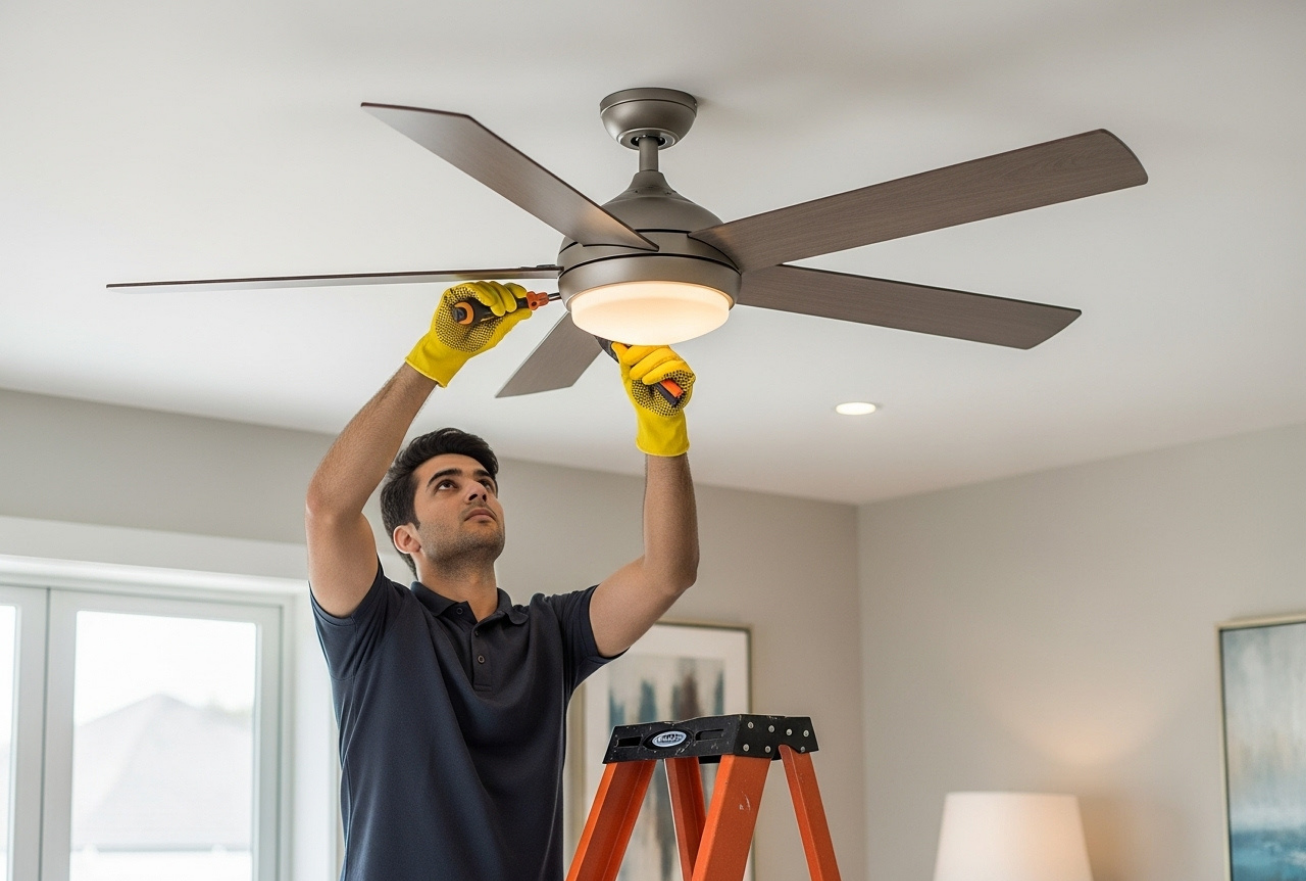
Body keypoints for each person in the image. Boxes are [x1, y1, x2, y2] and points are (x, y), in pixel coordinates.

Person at [304, 281, 700, 881]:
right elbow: (329, 507)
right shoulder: (374, 626)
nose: (477, 488)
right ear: (405, 539)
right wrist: (437, 355)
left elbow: (668, 572)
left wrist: (664, 432)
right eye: (447, 484)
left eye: (484, 480)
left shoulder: (552, 633)